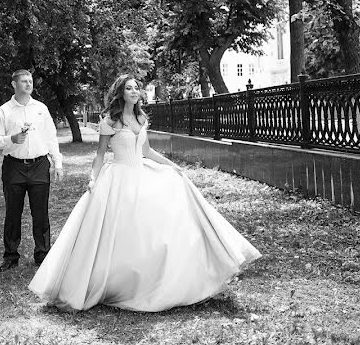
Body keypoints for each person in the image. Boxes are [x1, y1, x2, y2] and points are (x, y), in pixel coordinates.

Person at [28, 74, 261, 312]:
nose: (134, 91)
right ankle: (122, 281)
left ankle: (164, 277)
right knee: (122, 231)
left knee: (159, 222)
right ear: (120, 92)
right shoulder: (110, 121)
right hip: (118, 177)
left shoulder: (141, 117)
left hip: (141, 173)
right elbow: (100, 154)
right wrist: (93, 178)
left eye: (136, 88)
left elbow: (147, 151)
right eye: (129, 88)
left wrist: (172, 166)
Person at [0, 69, 64, 272]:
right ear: (14, 84)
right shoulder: (4, 111)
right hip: (14, 166)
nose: (28, 84)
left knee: (41, 213)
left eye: (30, 81)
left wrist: (57, 163)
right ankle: (11, 256)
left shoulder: (41, 108)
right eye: (24, 81)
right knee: (13, 213)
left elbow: (51, 136)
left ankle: (42, 254)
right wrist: (11, 139)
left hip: (40, 165)